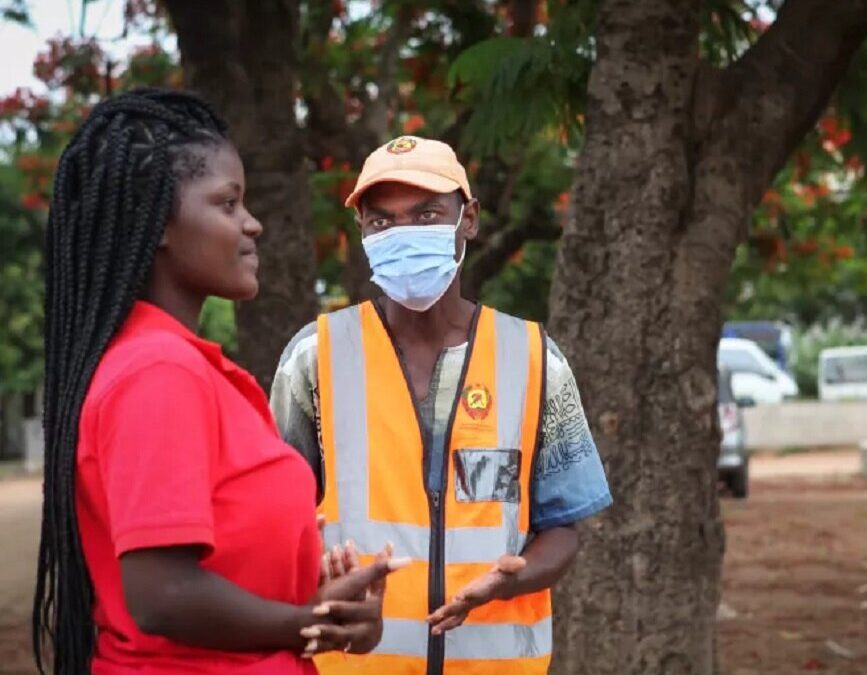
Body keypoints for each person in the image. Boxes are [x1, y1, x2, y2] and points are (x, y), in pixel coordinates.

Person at [32, 88, 404, 675]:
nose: (251, 223)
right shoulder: (158, 372)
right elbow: (164, 595)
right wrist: (312, 620)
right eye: (227, 204)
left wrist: (327, 606)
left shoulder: (186, 367)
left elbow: (219, 567)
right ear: (155, 222)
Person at [271, 135, 613, 674]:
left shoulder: (535, 360)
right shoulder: (314, 359)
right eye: (382, 221)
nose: (403, 235)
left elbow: (564, 525)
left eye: (427, 214)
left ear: (469, 219)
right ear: (361, 230)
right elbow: (276, 522)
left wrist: (516, 576)